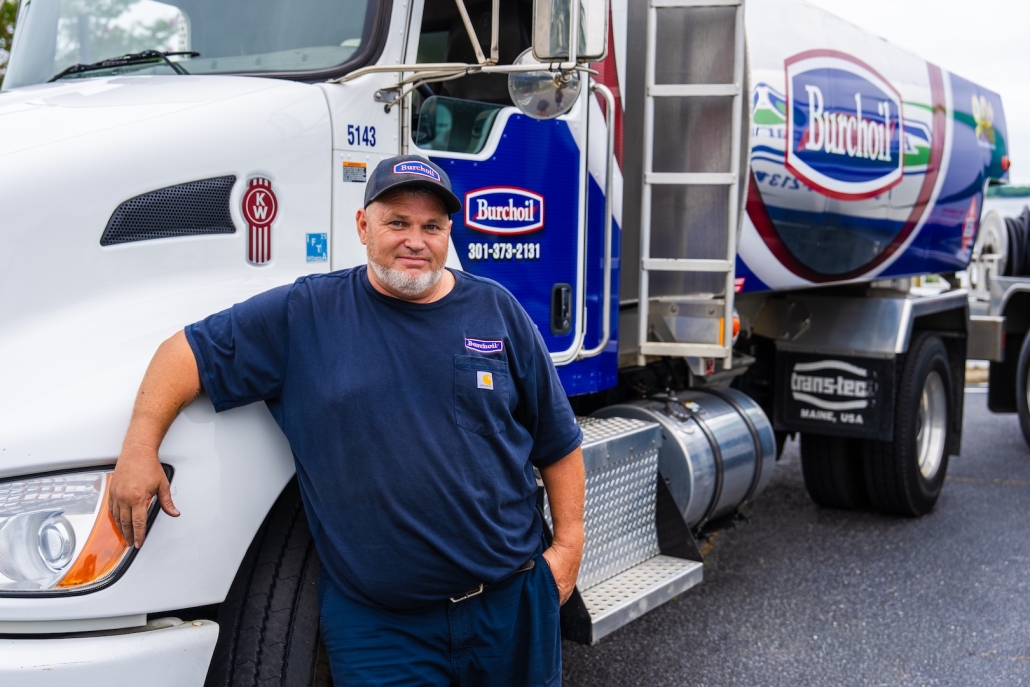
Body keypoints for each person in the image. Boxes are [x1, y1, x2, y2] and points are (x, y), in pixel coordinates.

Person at [109, 154, 586, 686]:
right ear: (363, 227)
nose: (415, 240)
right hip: (381, 627)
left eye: (432, 226)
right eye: (397, 223)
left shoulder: (496, 310)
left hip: (510, 605)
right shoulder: (306, 314)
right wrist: (138, 449)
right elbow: (182, 354)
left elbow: (557, 442)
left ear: (449, 232)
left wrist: (568, 548)